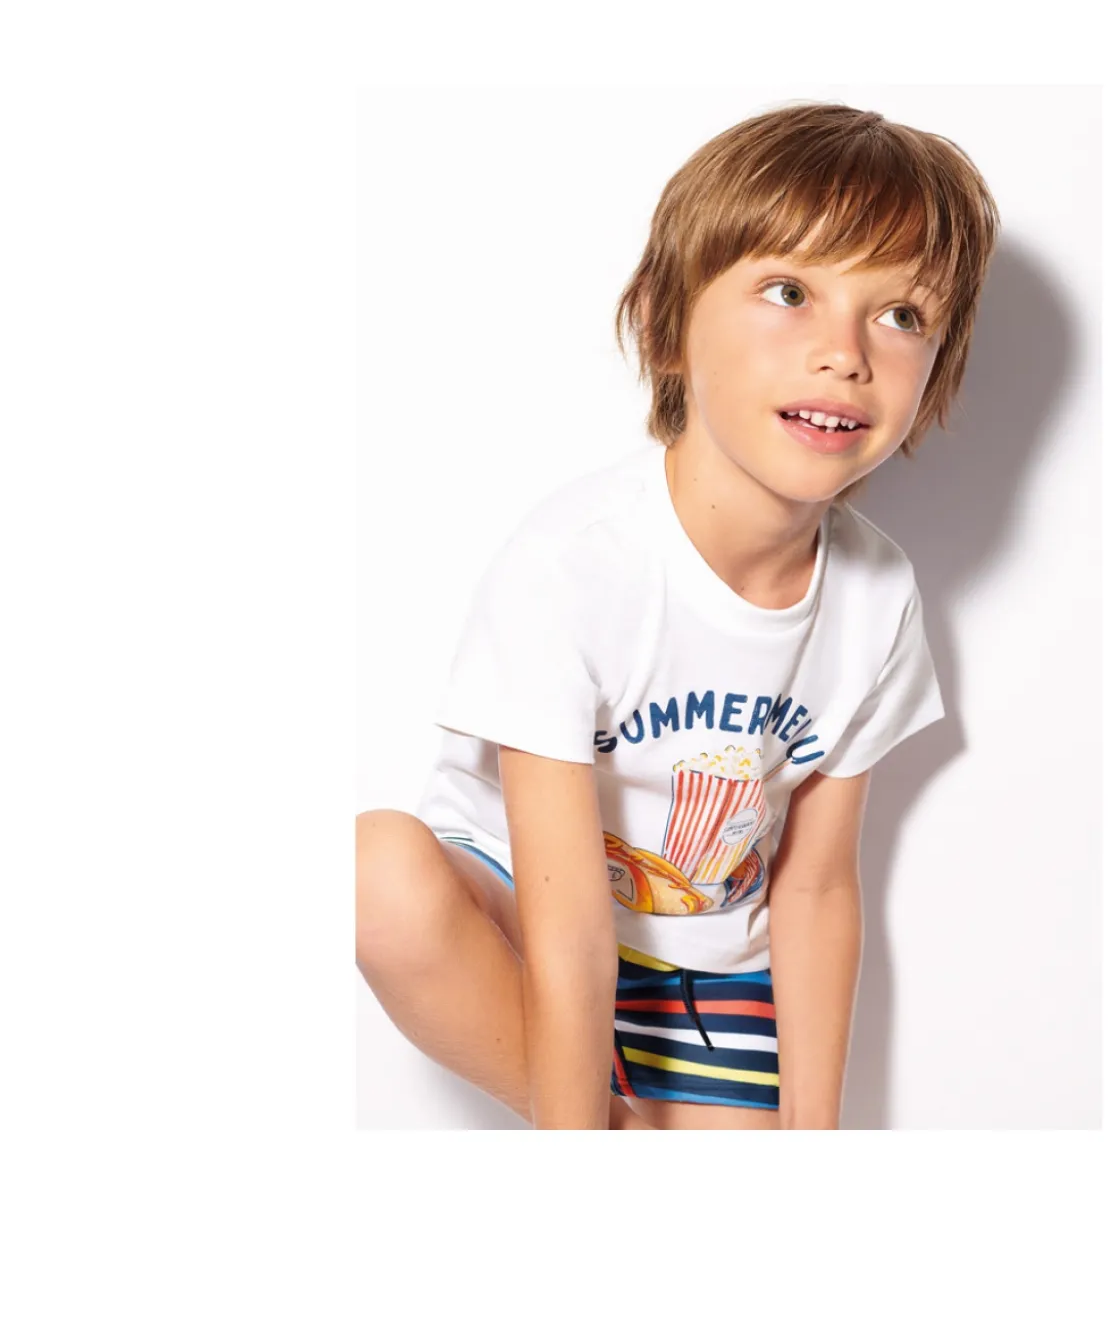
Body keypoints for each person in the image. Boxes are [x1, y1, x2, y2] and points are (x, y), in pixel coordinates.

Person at [356, 99, 1001, 1130]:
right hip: (522, 918)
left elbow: (815, 889)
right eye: (789, 292)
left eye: (900, 315)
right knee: (375, 870)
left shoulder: (877, 596)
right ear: (664, 324)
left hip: (706, 970)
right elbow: (569, 920)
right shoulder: (576, 565)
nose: (844, 351)